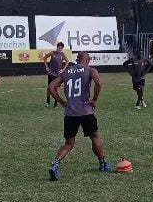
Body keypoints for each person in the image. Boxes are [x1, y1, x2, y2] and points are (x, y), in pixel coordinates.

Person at [47, 51, 111, 180]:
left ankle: (55, 164)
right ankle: (102, 163)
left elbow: (51, 87)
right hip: (85, 111)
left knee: (69, 144)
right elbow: (98, 83)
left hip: (70, 112)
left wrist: (62, 102)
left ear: (77, 59)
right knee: (94, 136)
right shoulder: (90, 70)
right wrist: (94, 99)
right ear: (88, 60)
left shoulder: (67, 71)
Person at [42, 42, 68, 107]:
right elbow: (44, 58)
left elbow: (67, 61)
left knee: (57, 88)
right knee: (49, 88)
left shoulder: (62, 54)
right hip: (51, 73)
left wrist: (63, 69)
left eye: (61, 48)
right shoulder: (52, 53)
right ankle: (48, 102)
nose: (60, 49)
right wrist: (47, 67)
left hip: (58, 75)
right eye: (59, 48)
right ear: (57, 47)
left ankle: (56, 103)